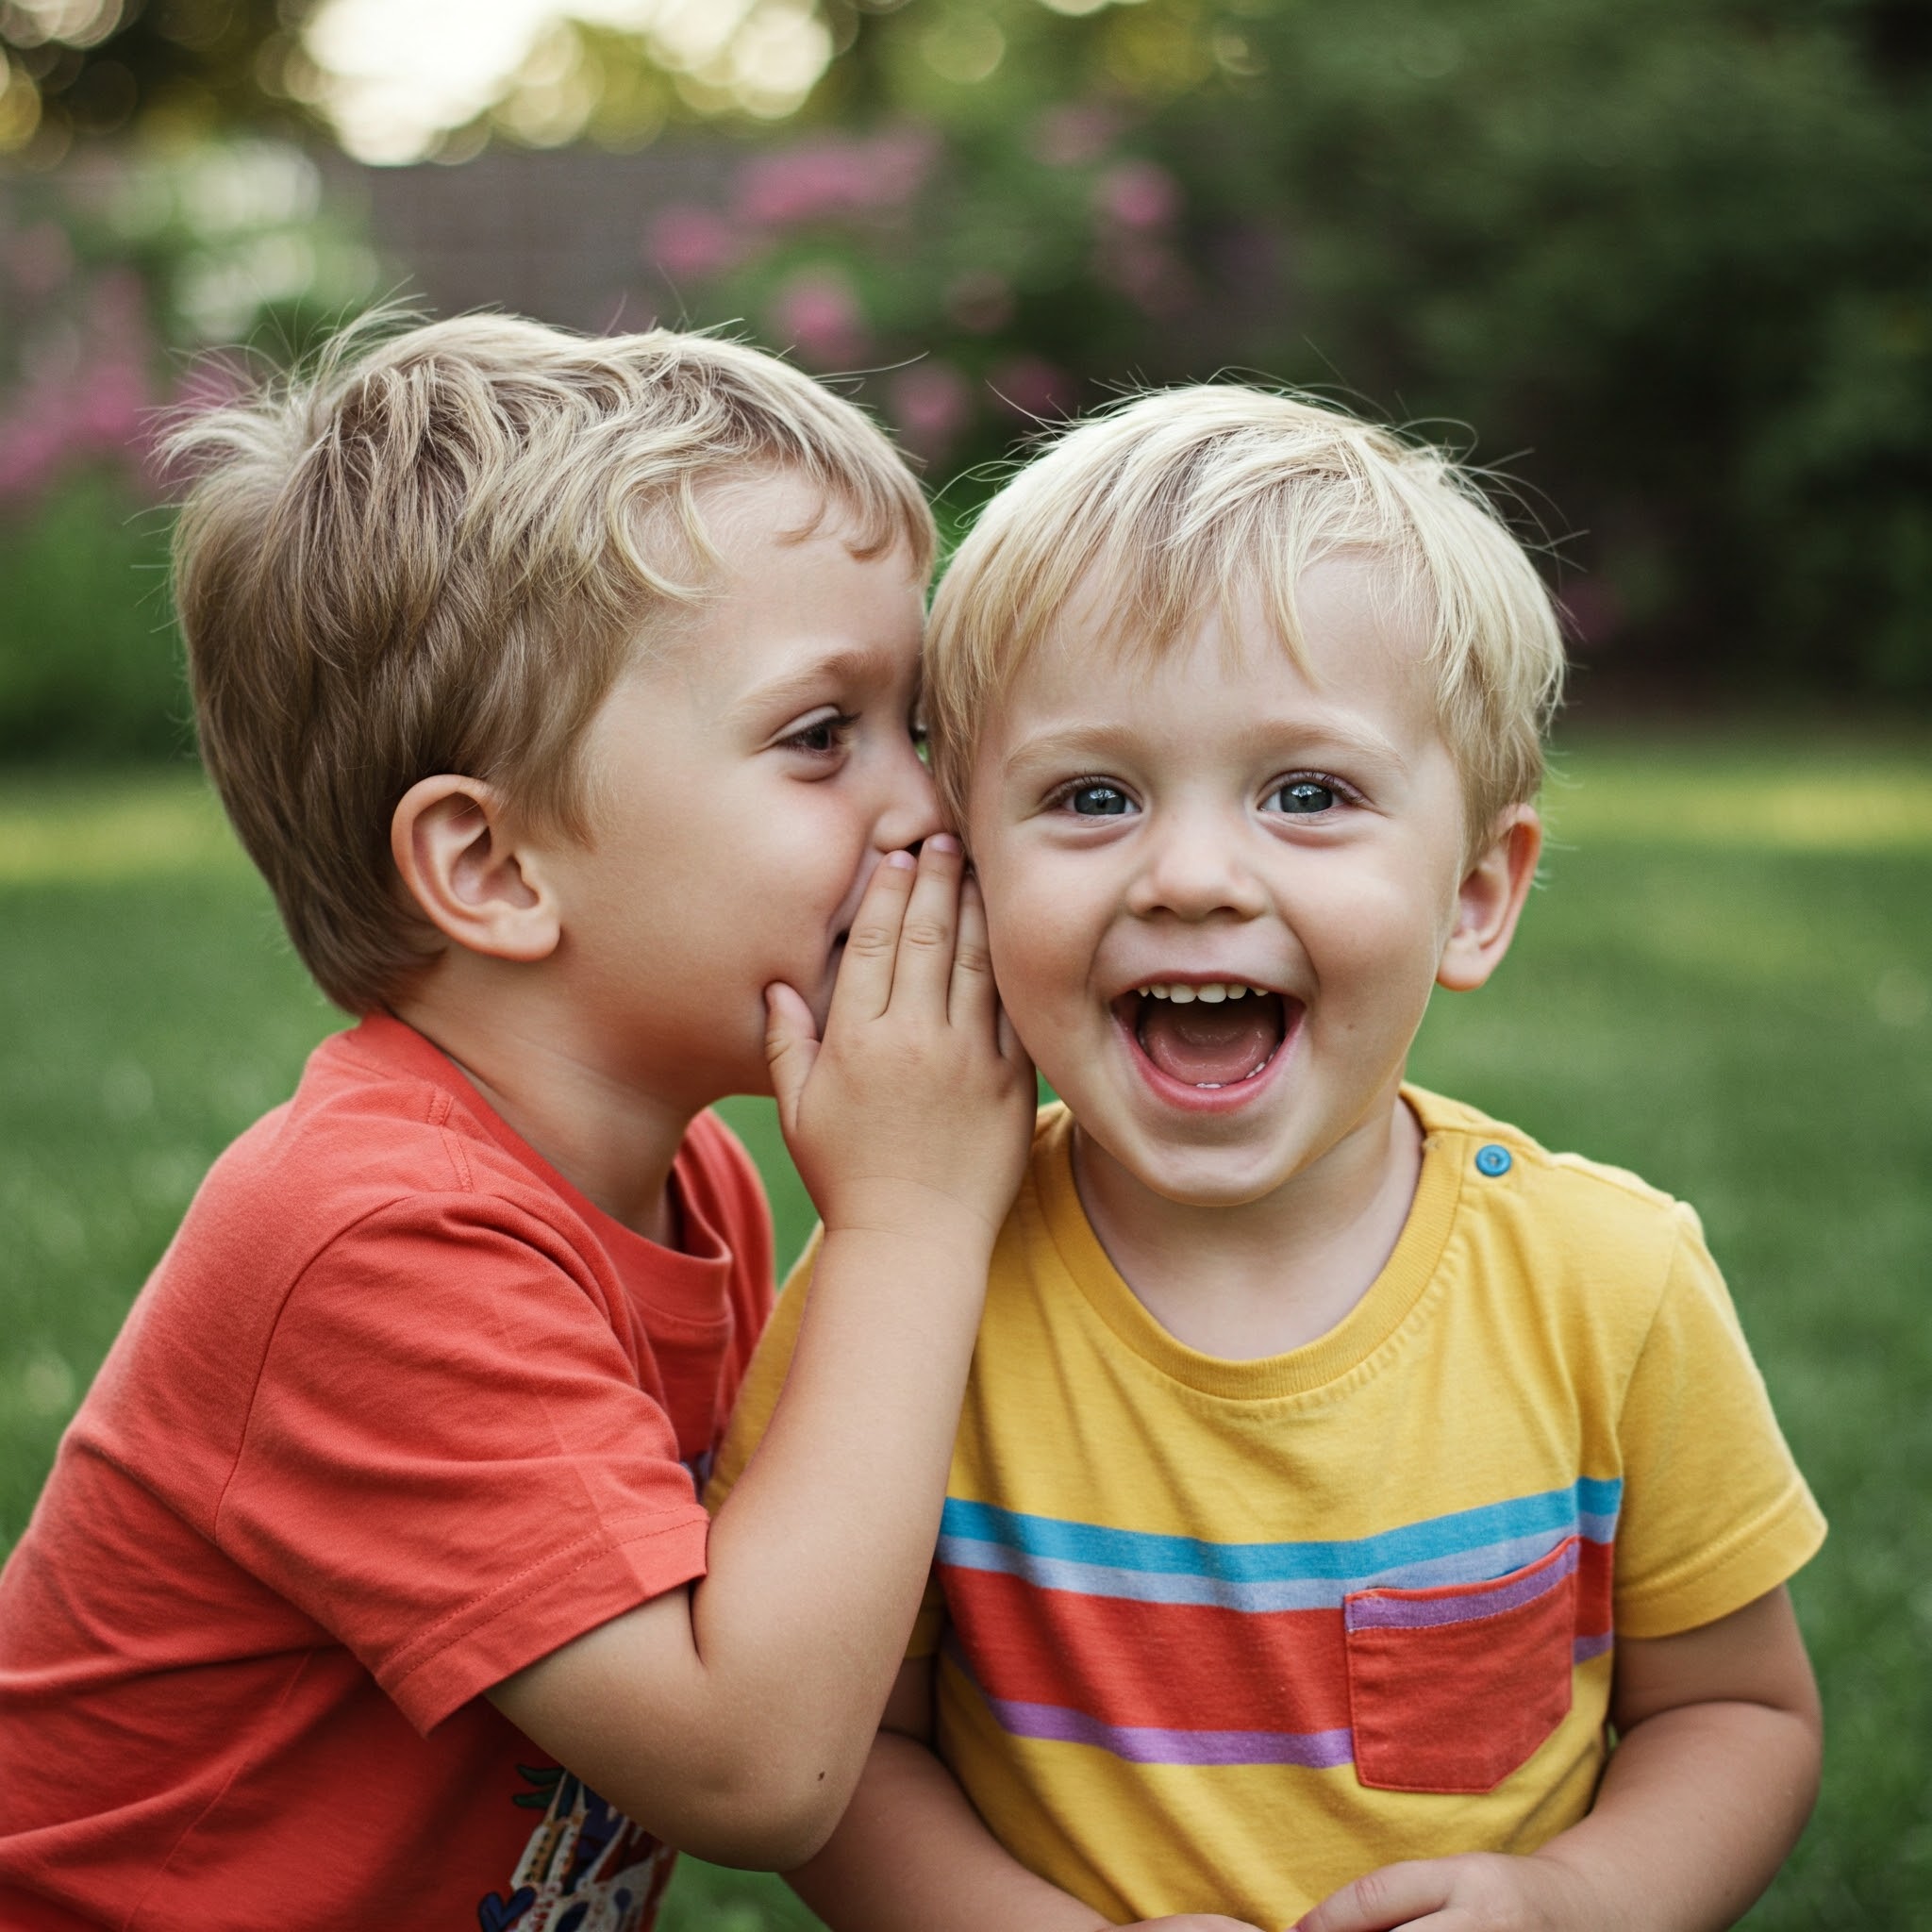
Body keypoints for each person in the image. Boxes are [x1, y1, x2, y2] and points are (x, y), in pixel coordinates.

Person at [708, 387, 1827, 1932]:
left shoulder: (1609, 1285)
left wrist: (1571, 1901)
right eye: (1092, 797)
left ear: (1477, 897)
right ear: (967, 865)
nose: (1190, 876)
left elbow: (1742, 1716)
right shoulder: (910, 1294)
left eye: (1308, 794)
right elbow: (848, 1757)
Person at [0, 315, 1037, 1932]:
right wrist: (908, 1223)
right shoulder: (374, 1234)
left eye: (922, 728)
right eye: (824, 736)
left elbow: (816, 1644)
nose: (927, 813)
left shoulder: (689, 1181)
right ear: (491, 869)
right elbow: (756, 1765)